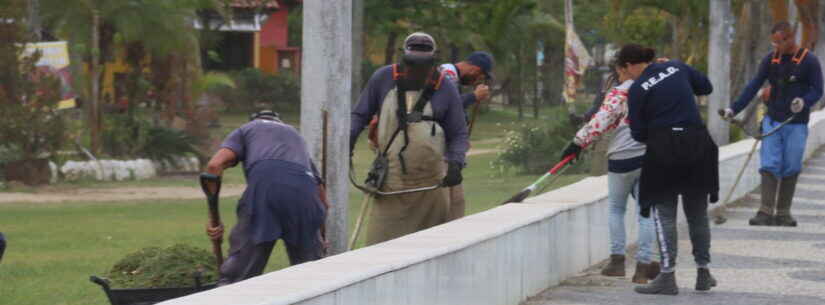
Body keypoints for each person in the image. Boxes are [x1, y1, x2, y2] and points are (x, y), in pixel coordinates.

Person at [351, 32, 469, 245]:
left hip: (431, 187)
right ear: (403, 59)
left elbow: (459, 133)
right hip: (390, 185)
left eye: (424, 65)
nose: (417, 70)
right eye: (412, 63)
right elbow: (359, 115)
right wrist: (348, 141)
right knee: (380, 251)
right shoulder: (382, 79)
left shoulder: (446, 87)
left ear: (434, 62)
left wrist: (455, 163)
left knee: (431, 249)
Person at [621, 44, 719, 295]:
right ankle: (703, 272)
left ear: (631, 65)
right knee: (697, 214)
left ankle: (667, 276)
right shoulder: (676, 66)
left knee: (664, 214)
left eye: (624, 71)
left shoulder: (638, 89)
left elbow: (638, 132)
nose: (626, 76)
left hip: (663, 148)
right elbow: (706, 87)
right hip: (698, 144)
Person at [560, 60, 659, 284]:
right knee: (645, 211)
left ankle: (617, 262)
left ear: (625, 68)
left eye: (618, 71)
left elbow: (600, 122)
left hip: (621, 158)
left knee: (616, 209)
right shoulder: (653, 89)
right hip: (647, 157)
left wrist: (577, 143)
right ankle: (643, 267)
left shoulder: (620, 93)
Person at [205, 110, 327, 285]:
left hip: (265, 191)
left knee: (237, 280)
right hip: (306, 194)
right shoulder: (296, 138)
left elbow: (214, 165)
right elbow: (323, 201)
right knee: (313, 281)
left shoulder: (246, 129)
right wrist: (320, 236)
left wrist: (213, 220)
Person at [723, 22, 823, 227]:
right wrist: (734, 108)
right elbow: (754, 85)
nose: (775, 47)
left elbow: (818, 89)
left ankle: (783, 213)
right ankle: (765, 211)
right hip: (773, 120)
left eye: (778, 42)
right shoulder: (771, 60)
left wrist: (804, 101)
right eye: (773, 42)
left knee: (792, 165)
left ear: (790, 38)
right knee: (769, 164)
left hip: (796, 122)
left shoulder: (809, 61)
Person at [438, 51, 494, 221]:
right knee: (445, 204)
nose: (477, 81)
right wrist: (474, 96)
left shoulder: (452, 77)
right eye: (480, 77)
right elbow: (443, 105)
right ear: (475, 69)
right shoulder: (447, 73)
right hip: (438, 151)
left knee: (456, 202)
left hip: (448, 151)